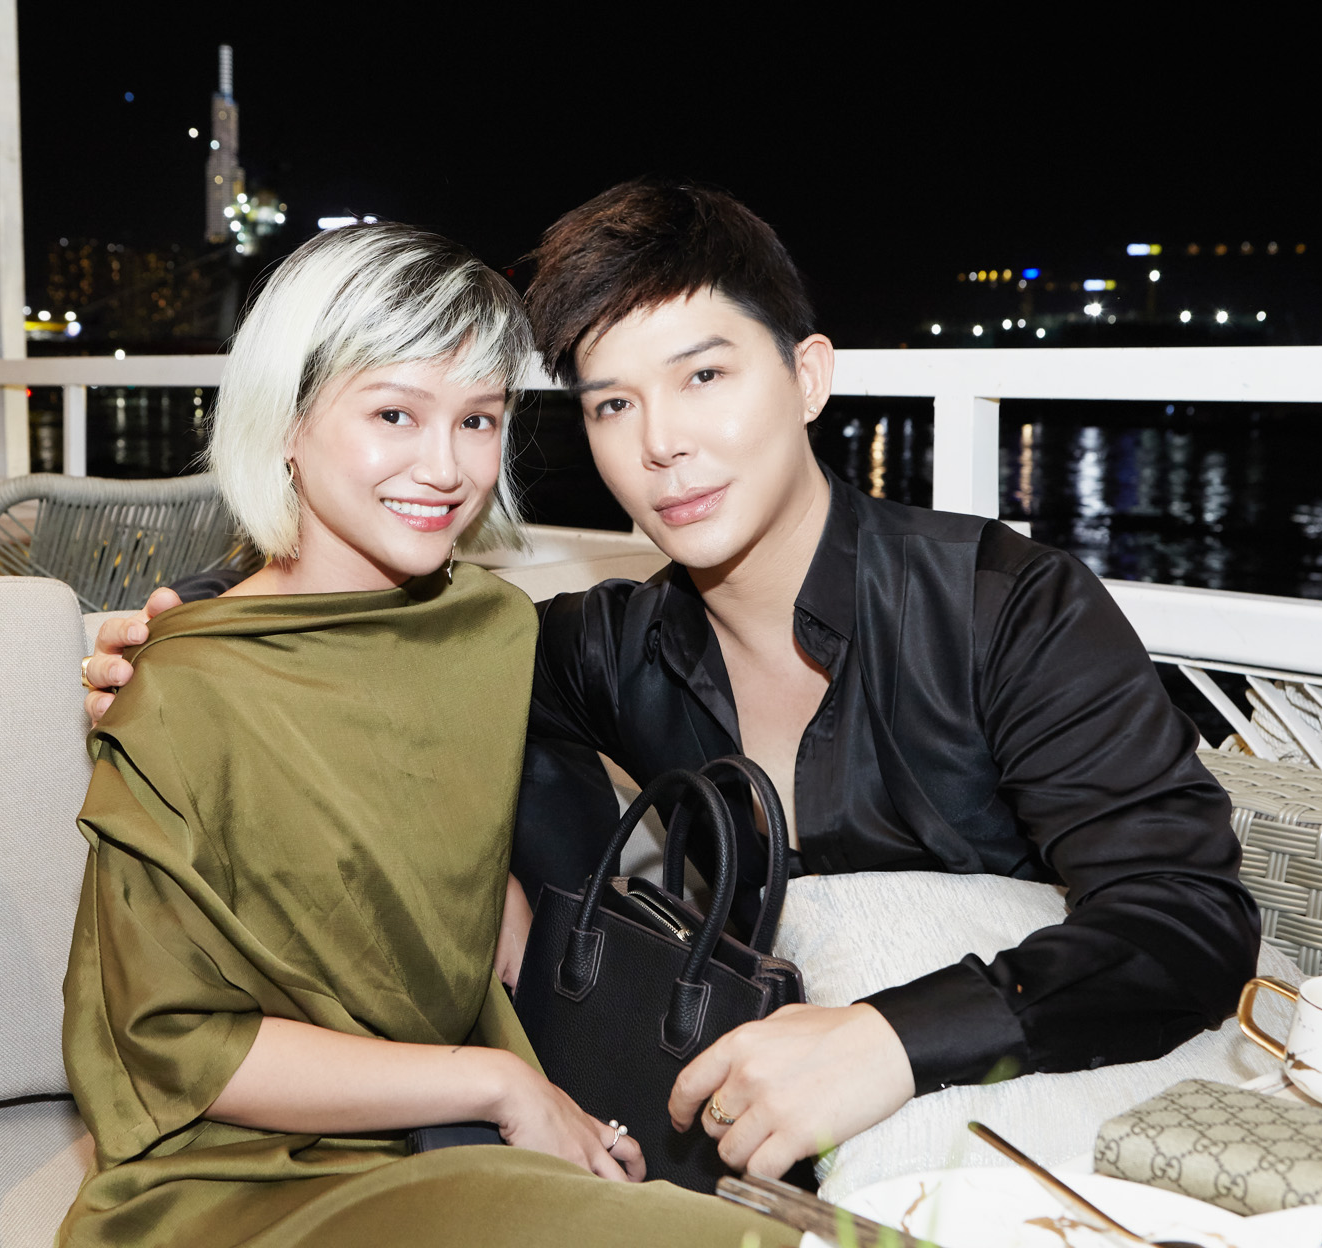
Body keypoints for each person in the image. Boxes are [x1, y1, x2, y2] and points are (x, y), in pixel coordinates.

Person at [85, 183, 1261, 1183]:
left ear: (808, 377)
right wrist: (198, 625)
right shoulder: (604, 649)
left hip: (1013, 1110)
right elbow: (376, 641)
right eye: (613, 403)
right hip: (717, 1123)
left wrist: (886, 1040)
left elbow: (1186, 916)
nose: (661, 442)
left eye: (703, 376)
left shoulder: (1004, 608)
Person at [61, 222, 793, 1248]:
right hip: (241, 1183)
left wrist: (511, 955)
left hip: (450, 1143)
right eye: (394, 413)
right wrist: (497, 1084)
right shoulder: (180, 682)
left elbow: (414, 856)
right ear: (286, 422)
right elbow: (173, 1047)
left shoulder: (490, 631)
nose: (446, 468)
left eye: (478, 419)